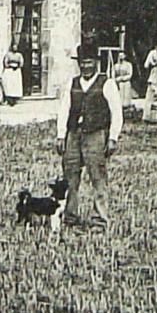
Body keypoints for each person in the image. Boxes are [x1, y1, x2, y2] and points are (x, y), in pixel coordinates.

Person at [55, 44, 123, 229]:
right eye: (82, 63)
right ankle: (70, 216)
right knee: (70, 176)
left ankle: (99, 220)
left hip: (96, 135)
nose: (85, 66)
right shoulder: (72, 83)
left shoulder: (106, 83)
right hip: (74, 135)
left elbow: (116, 112)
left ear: (96, 63)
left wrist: (113, 138)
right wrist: (61, 135)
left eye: (89, 62)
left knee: (98, 177)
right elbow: (64, 109)